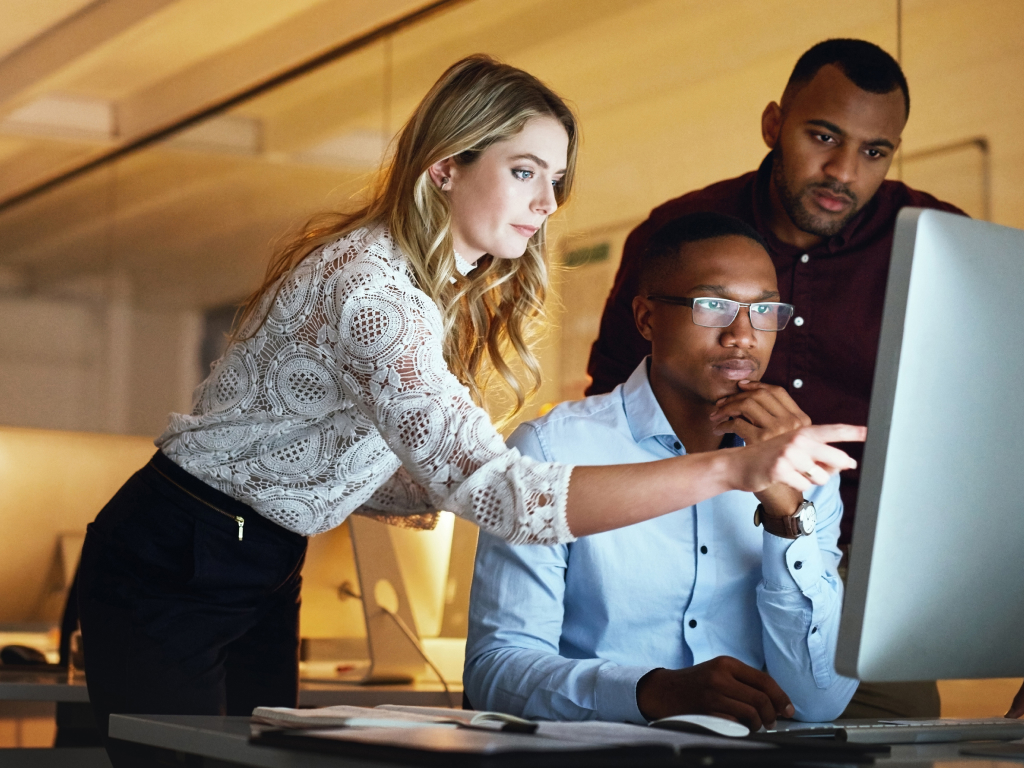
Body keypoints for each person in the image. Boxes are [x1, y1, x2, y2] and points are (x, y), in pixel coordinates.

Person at [77, 55, 862, 764]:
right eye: (525, 171)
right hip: (182, 547)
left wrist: (491, 474)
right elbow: (500, 496)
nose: (548, 202)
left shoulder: (424, 286)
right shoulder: (378, 291)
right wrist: (724, 469)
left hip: (261, 551)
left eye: (555, 179)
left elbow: (364, 468)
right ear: (446, 166)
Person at [584, 39, 962, 717]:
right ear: (772, 125)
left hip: (868, 584)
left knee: (884, 748)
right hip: (695, 562)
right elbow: (609, 404)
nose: (843, 171)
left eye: (875, 151)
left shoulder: (939, 244)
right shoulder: (678, 234)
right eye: (823, 136)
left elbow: (997, 434)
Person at [464, 212, 858, 727]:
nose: (743, 335)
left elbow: (818, 704)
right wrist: (648, 691)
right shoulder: (551, 448)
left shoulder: (808, 468)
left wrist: (787, 513)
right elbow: (495, 673)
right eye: (713, 306)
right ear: (647, 318)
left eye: (763, 309)